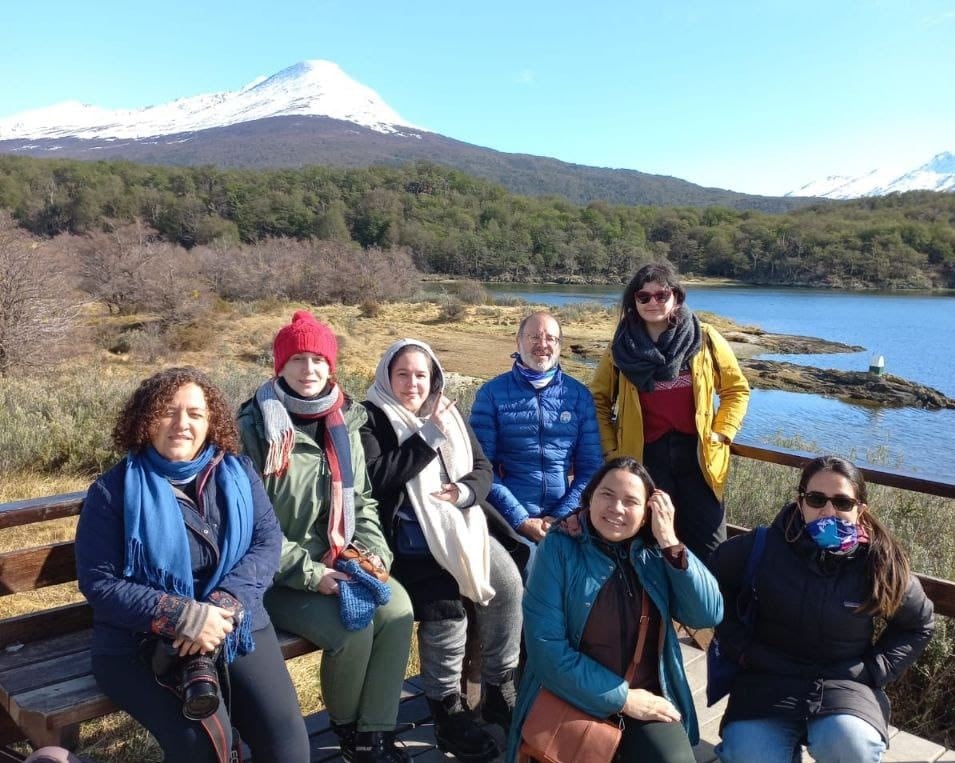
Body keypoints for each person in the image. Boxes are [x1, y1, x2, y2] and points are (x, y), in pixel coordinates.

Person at [76, 367, 309, 763]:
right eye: (168, 411)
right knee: (206, 749)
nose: (181, 424)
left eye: (195, 414)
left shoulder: (238, 474)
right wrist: (182, 616)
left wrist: (223, 607)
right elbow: (100, 583)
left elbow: (267, 543)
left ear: (211, 421)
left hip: (234, 624)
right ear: (146, 419)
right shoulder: (112, 491)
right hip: (140, 640)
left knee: (288, 748)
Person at [237, 311, 414, 763]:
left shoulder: (344, 421)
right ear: (280, 365)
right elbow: (249, 528)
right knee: (352, 630)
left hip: (342, 556)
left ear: (330, 365)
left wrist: (375, 554)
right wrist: (313, 575)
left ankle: (375, 733)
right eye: (298, 359)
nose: (309, 370)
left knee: (397, 611)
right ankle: (348, 730)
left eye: (318, 359)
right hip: (271, 576)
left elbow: (362, 502)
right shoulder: (254, 429)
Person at [360, 338, 524, 763]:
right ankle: (446, 706)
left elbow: (483, 468)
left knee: (507, 584)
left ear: (433, 378)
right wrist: (427, 435)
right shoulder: (370, 418)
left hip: (462, 528)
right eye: (403, 374)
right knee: (446, 612)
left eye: (421, 375)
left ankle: (497, 686)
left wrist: (466, 493)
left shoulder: (448, 411)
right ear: (386, 376)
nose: (413, 383)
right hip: (409, 544)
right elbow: (379, 478)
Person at [710, 455, 935, 763]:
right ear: (800, 502)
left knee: (853, 747)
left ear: (860, 510)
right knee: (749, 755)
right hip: (767, 678)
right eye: (817, 499)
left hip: (843, 683)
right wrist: (743, 649)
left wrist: (873, 669)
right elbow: (713, 586)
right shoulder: (762, 547)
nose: (828, 511)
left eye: (842, 503)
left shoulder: (879, 563)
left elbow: (918, 624)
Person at [506, 456, 723, 763]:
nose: (617, 508)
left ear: (647, 512)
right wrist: (623, 698)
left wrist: (671, 542)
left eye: (631, 501)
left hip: (646, 697)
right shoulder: (558, 549)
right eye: (607, 495)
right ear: (590, 498)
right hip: (567, 694)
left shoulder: (656, 555)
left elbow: (707, 614)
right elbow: (546, 651)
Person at [590, 262, 750, 563]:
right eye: (643, 296)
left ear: (676, 296)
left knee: (710, 548)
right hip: (646, 458)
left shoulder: (704, 338)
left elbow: (735, 390)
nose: (653, 302)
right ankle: (655, 610)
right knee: (649, 543)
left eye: (661, 295)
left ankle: (706, 609)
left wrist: (722, 432)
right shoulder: (621, 347)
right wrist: (613, 451)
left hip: (699, 459)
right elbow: (598, 400)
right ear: (633, 301)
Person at [469, 311, 603, 571]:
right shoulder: (492, 394)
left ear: (560, 345)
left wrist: (561, 517)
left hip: (567, 518)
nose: (543, 345)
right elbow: (483, 467)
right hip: (507, 519)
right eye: (534, 337)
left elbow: (591, 468)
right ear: (518, 341)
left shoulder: (578, 396)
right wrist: (520, 520)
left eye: (551, 338)